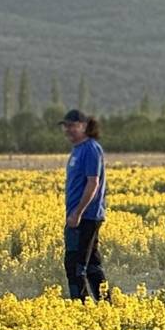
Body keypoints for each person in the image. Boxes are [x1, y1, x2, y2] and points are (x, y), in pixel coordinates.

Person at [59, 109, 109, 301]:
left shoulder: (90, 149)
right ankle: (107, 305)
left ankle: (81, 309)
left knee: (76, 266)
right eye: (66, 126)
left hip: (86, 216)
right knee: (92, 265)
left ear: (84, 126)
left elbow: (93, 183)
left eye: (72, 126)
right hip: (80, 215)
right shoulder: (78, 149)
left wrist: (77, 213)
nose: (68, 130)